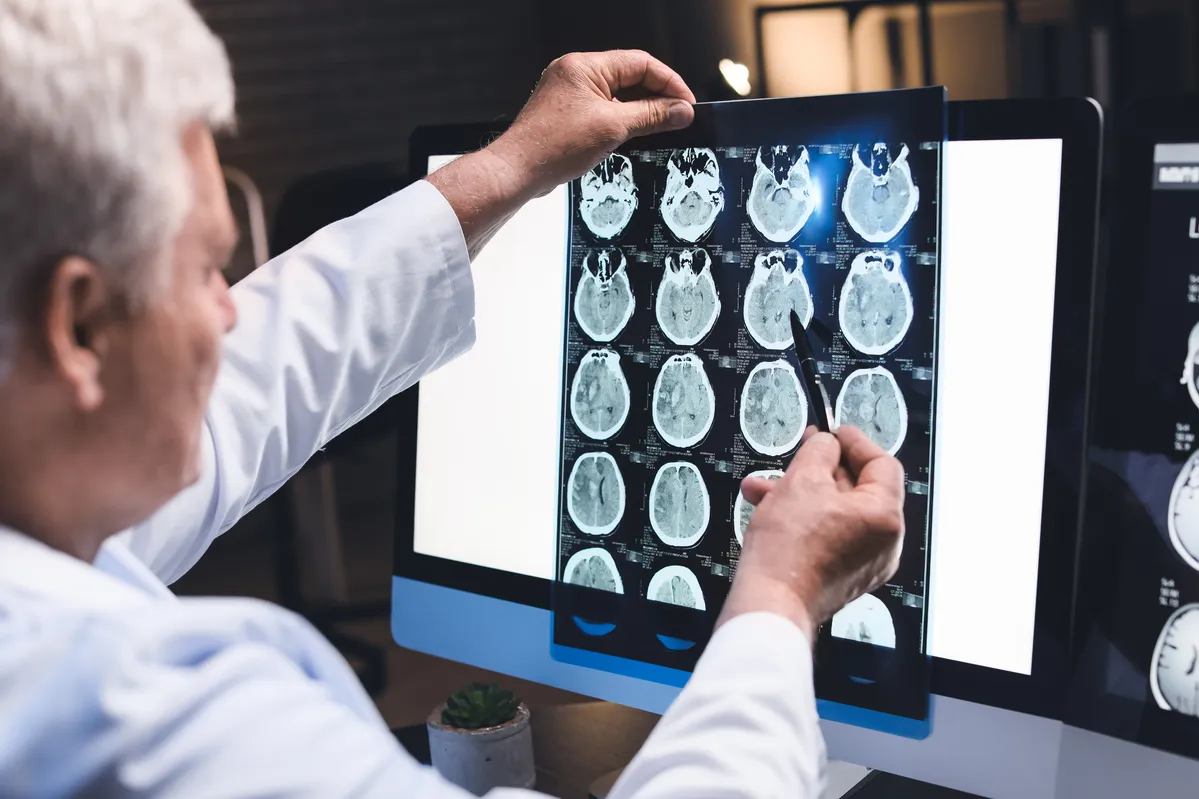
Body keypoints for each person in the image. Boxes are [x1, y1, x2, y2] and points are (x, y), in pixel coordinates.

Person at [0, 1, 905, 796]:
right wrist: (783, 596)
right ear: (78, 327)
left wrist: (504, 167)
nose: (230, 312)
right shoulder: (153, 729)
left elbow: (256, 377)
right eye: (206, 269)